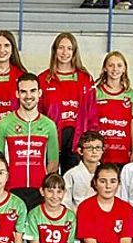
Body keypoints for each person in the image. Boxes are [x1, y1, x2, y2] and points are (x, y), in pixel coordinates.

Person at [0, 73, 59, 211]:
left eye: (33, 91)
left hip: (39, 191)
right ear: (17, 94)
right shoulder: (3, 124)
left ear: (40, 92)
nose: (28, 96)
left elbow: (53, 162)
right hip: (11, 190)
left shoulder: (49, 125)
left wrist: (46, 191)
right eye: (23, 91)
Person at [38, 33, 94, 173]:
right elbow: (38, 113)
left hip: (76, 141)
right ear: (55, 50)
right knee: (51, 184)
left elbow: (92, 112)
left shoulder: (85, 79)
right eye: (61, 48)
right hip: (51, 139)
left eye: (69, 48)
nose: (65, 52)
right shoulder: (43, 79)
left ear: (74, 51)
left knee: (75, 184)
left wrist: (92, 141)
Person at [80, 51, 133, 166]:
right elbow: (87, 122)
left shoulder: (131, 94)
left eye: (119, 65)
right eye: (111, 65)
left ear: (124, 69)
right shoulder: (95, 92)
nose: (115, 69)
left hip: (123, 153)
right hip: (99, 154)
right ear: (104, 68)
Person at [62, 131, 104, 210]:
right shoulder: (71, 174)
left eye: (98, 148)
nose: (94, 151)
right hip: (78, 216)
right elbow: (65, 202)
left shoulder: (108, 174)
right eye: (89, 148)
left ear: (103, 150)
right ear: (80, 151)